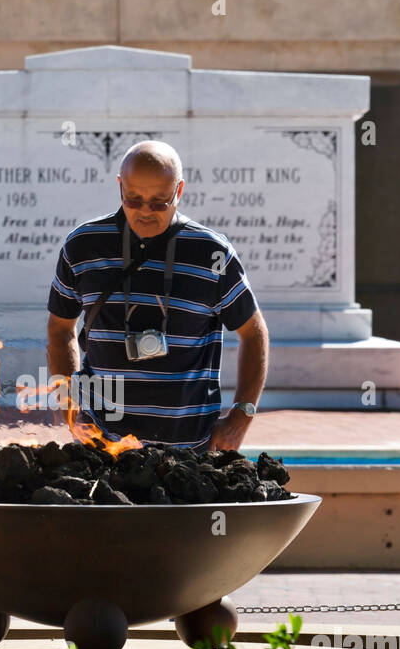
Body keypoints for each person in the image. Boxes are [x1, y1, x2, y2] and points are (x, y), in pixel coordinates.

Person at [45, 140, 269, 452]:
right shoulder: (82, 246)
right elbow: (59, 329)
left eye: (160, 202)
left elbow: (254, 333)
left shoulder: (213, 253)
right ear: (120, 186)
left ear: (178, 191)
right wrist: (70, 411)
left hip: (188, 457)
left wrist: (242, 416)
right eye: (133, 199)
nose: (145, 212)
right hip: (101, 452)